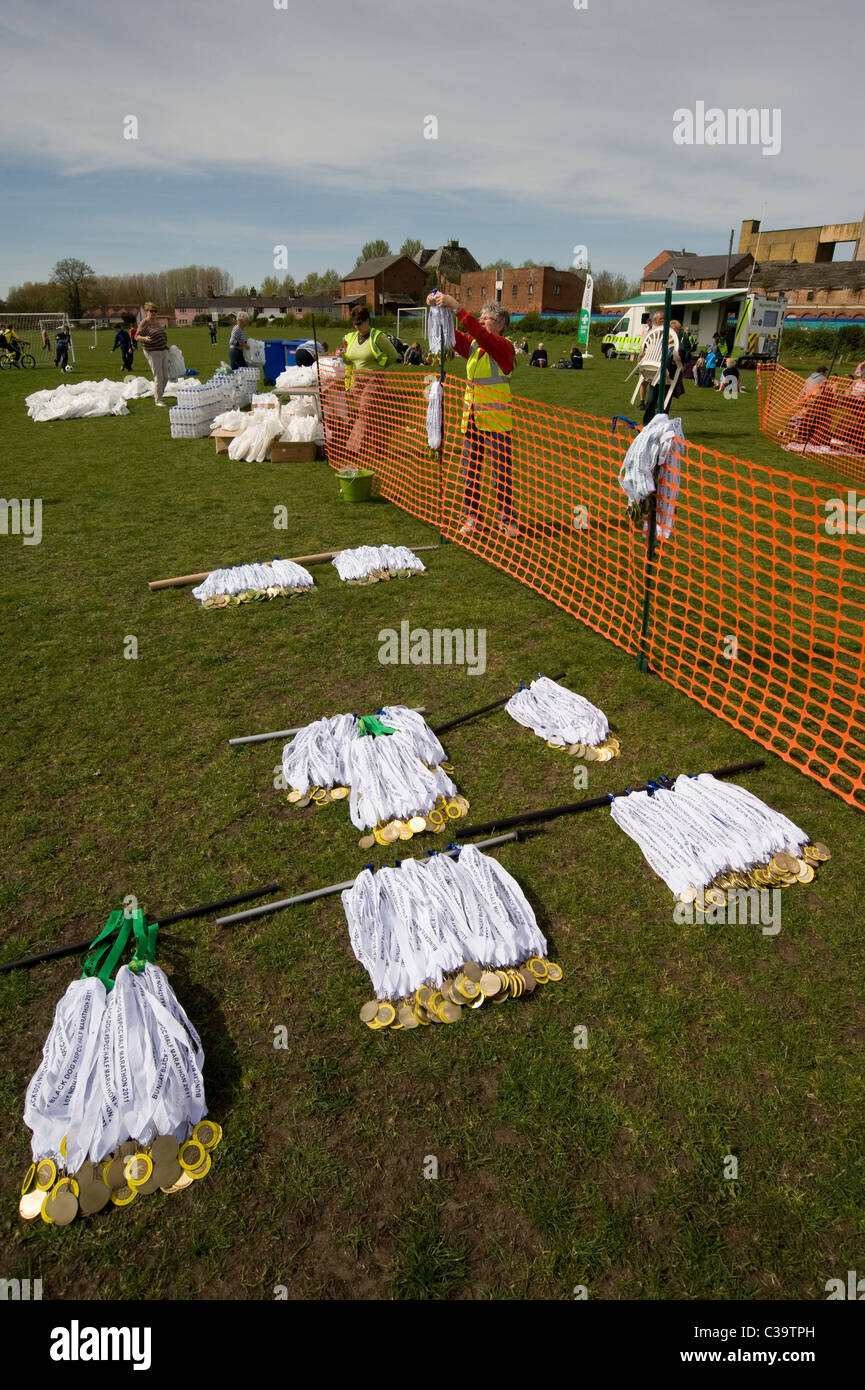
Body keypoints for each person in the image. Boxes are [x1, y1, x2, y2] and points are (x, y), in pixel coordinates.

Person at [427, 289, 517, 538]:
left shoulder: (502, 346)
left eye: (486, 318)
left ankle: (507, 519)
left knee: (501, 474)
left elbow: (479, 335)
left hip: (497, 422)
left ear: (500, 325)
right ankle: (472, 517)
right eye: (480, 317)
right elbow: (451, 337)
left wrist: (457, 307)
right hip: (473, 421)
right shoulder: (476, 345)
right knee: (470, 472)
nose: (480, 321)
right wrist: (438, 311)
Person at [338, 304, 401, 456]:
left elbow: (394, 355)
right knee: (373, 416)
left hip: (374, 380)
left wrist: (382, 365)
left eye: (359, 323)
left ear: (367, 321)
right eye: (354, 323)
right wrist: (343, 357)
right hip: (357, 382)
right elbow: (350, 362)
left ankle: (353, 448)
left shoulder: (378, 336)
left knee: (364, 413)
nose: (357, 326)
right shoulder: (352, 337)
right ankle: (379, 448)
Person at [136, 303, 170, 405]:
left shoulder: (156, 322)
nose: (154, 313)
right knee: (158, 376)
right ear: (147, 312)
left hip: (162, 350)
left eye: (155, 311)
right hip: (152, 352)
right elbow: (136, 336)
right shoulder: (144, 323)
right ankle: (158, 400)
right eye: (151, 311)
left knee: (166, 376)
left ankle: (160, 395)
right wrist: (144, 338)